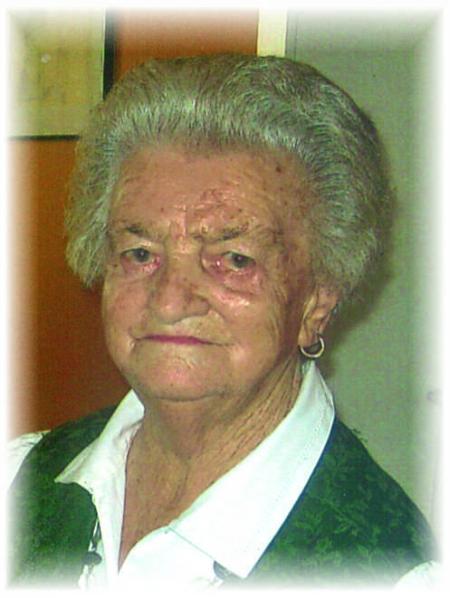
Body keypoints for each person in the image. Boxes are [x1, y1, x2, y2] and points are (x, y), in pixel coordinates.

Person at [8, 54, 437, 589]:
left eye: (234, 260)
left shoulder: (393, 576)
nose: (169, 301)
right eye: (140, 254)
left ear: (317, 302)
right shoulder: (21, 479)